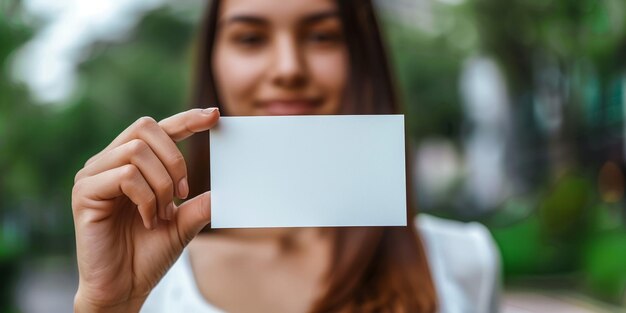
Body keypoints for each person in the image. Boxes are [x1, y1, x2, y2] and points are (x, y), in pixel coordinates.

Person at [71, 0, 500, 312]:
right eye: (251, 38)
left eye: (322, 35)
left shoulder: (465, 259)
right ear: (213, 63)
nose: (288, 67)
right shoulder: (150, 279)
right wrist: (107, 306)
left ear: (364, 58)